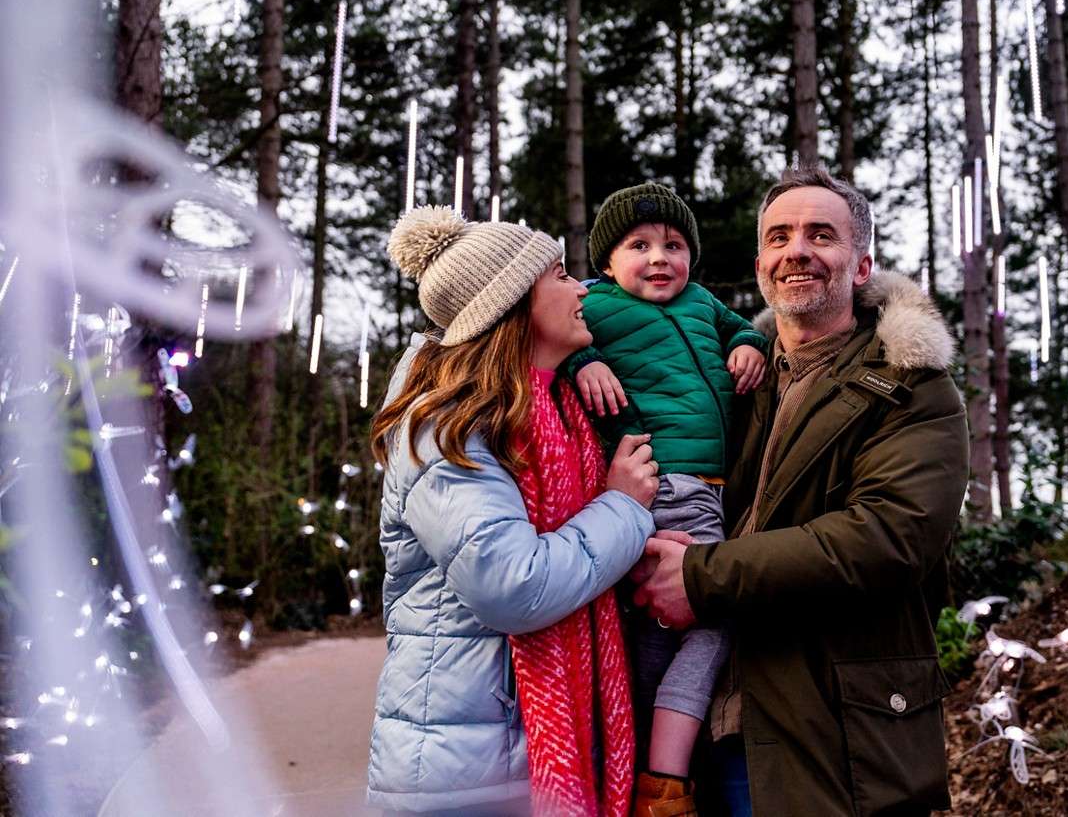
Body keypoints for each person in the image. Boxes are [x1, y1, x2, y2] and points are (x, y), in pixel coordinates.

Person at [633, 166, 970, 816]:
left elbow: (889, 538)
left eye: (822, 235)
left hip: (833, 731)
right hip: (704, 720)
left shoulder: (910, 385)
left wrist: (701, 576)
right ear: (760, 261)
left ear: (862, 263)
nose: (798, 251)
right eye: (780, 236)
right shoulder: (732, 380)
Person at [365, 205, 663, 817]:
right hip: (465, 773)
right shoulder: (445, 429)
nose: (580, 287)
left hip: (508, 756)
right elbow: (513, 584)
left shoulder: (559, 413)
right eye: (558, 276)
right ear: (510, 306)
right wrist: (624, 508)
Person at [566, 184, 768, 817]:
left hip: (709, 491)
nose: (659, 258)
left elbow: (749, 331)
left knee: (658, 629)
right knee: (716, 622)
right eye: (639, 245)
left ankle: (643, 781)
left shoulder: (705, 303)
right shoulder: (596, 305)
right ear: (606, 263)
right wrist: (585, 363)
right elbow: (549, 337)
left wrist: (747, 346)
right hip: (658, 480)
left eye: (674, 245)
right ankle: (666, 779)